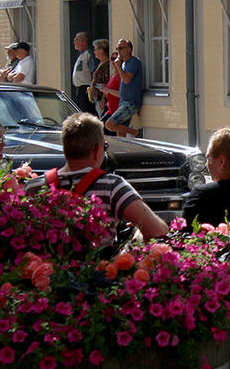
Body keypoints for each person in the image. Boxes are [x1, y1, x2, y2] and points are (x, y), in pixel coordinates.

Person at [23, 113, 168, 240]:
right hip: (98, 263)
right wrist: (138, 234)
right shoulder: (112, 187)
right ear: (96, 150)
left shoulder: (33, 187)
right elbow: (158, 231)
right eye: (105, 147)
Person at [104, 39, 143, 138]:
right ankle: (124, 147)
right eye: (117, 48)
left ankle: (136, 133)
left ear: (129, 49)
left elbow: (126, 80)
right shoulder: (124, 64)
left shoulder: (133, 62)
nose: (118, 51)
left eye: (121, 48)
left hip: (130, 102)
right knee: (120, 132)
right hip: (123, 101)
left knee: (109, 124)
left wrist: (118, 67)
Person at [71, 32, 97, 115]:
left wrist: (92, 87)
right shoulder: (81, 55)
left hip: (86, 89)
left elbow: (93, 71)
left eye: (77, 40)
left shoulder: (88, 54)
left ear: (84, 42)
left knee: (86, 112)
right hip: (80, 89)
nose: (74, 42)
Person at [90, 39, 111, 117]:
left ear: (102, 50)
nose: (94, 52)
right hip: (97, 98)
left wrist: (103, 99)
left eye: (95, 49)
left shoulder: (107, 65)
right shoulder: (100, 63)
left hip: (102, 98)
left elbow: (107, 82)